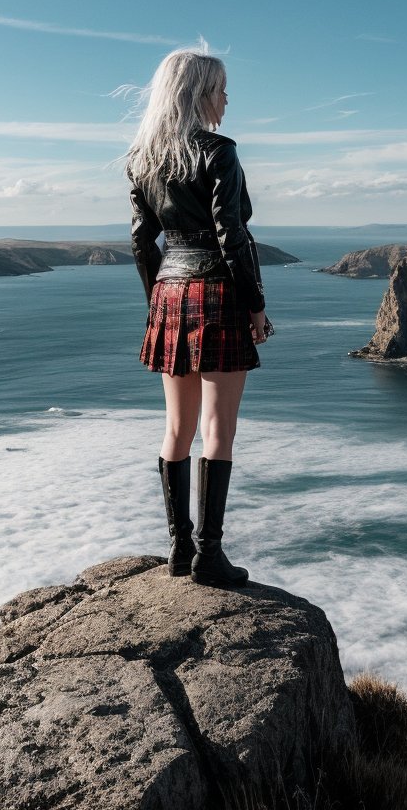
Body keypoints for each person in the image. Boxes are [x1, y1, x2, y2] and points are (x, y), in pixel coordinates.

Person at [126, 48, 272, 588]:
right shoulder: (219, 151)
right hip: (216, 289)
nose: (227, 99)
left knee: (176, 428)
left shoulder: (142, 156)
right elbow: (232, 236)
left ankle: (178, 550)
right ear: (199, 92)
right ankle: (210, 556)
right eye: (222, 89)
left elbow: (144, 242)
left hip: (168, 292)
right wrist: (255, 306)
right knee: (217, 428)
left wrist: (155, 307)